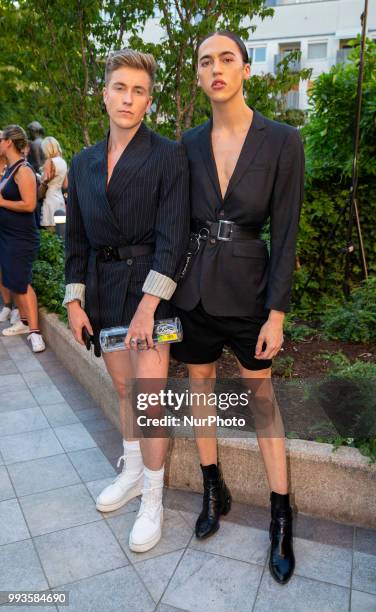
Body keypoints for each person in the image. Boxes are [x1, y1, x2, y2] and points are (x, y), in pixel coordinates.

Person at [171, 31, 305, 585]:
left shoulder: (282, 141)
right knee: (198, 386)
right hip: (195, 289)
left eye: (227, 58)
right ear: (200, 77)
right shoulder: (188, 143)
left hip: (251, 292)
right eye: (206, 62)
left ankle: (281, 514)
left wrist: (276, 313)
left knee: (262, 398)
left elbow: (287, 231)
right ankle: (212, 487)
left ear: (246, 69)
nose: (216, 68)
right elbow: (175, 225)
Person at [63, 48, 190, 553]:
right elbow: (75, 239)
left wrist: (147, 307)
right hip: (103, 291)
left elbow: (174, 236)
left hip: (150, 295)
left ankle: (153, 500)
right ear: (105, 92)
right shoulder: (83, 160)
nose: (128, 98)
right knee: (123, 392)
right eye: (120, 87)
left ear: (148, 101)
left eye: (139, 91)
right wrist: (74, 302)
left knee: (151, 400)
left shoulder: (167, 155)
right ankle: (133, 472)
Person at [0, 125, 46, 352]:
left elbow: (29, 205)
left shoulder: (23, 170)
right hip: (8, 235)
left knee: (22, 281)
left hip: (22, 237)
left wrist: (1, 202)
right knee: (13, 280)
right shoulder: (9, 169)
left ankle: (35, 333)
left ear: (8, 142)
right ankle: (24, 322)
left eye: (0, 138)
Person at [39, 136, 68, 231]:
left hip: (50, 200)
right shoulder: (63, 162)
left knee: (50, 230)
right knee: (61, 233)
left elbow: (45, 180)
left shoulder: (49, 162)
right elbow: (65, 185)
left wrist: (39, 177)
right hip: (60, 200)